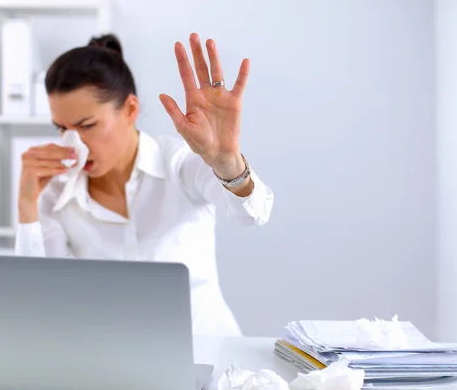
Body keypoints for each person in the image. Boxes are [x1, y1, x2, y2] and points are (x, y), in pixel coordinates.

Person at [15, 32, 274, 336]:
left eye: (87, 126)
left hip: (208, 349)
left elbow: (253, 215)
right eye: (62, 128)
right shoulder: (57, 192)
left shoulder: (178, 163)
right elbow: (41, 300)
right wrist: (26, 204)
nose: (73, 143)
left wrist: (227, 162)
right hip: (117, 361)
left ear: (130, 110)